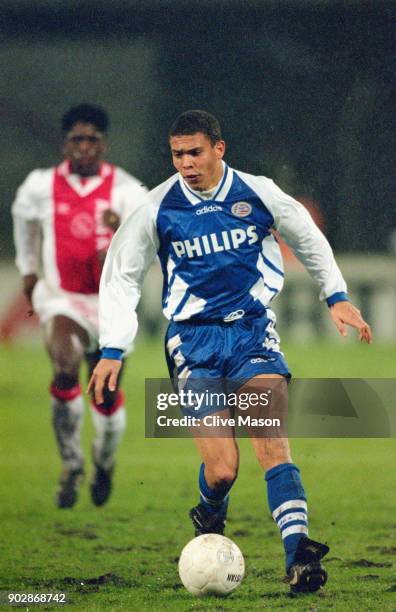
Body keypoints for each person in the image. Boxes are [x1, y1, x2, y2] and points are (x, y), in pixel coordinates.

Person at [88, 110, 372, 592]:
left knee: (271, 438)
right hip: (193, 345)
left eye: (195, 152)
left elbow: (305, 235)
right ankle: (210, 514)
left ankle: (299, 554)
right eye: (178, 154)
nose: (186, 163)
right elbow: (121, 275)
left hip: (251, 335)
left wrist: (336, 295)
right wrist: (113, 347)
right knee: (222, 469)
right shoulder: (158, 207)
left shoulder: (256, 192)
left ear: (219, 149)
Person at [12, 103, 148, 509]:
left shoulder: (128, 191)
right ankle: (72, 465)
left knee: (105, 399)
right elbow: (23, 223)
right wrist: (28, 270)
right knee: (66, 365)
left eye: (92, 140)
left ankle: (103, 462)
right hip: (64, 300)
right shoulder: (39, 185)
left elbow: (148, 247)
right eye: (76, 139)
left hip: (110, 306)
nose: (84, 147)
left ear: (104, 145)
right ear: (65, 143)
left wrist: (120, 236)